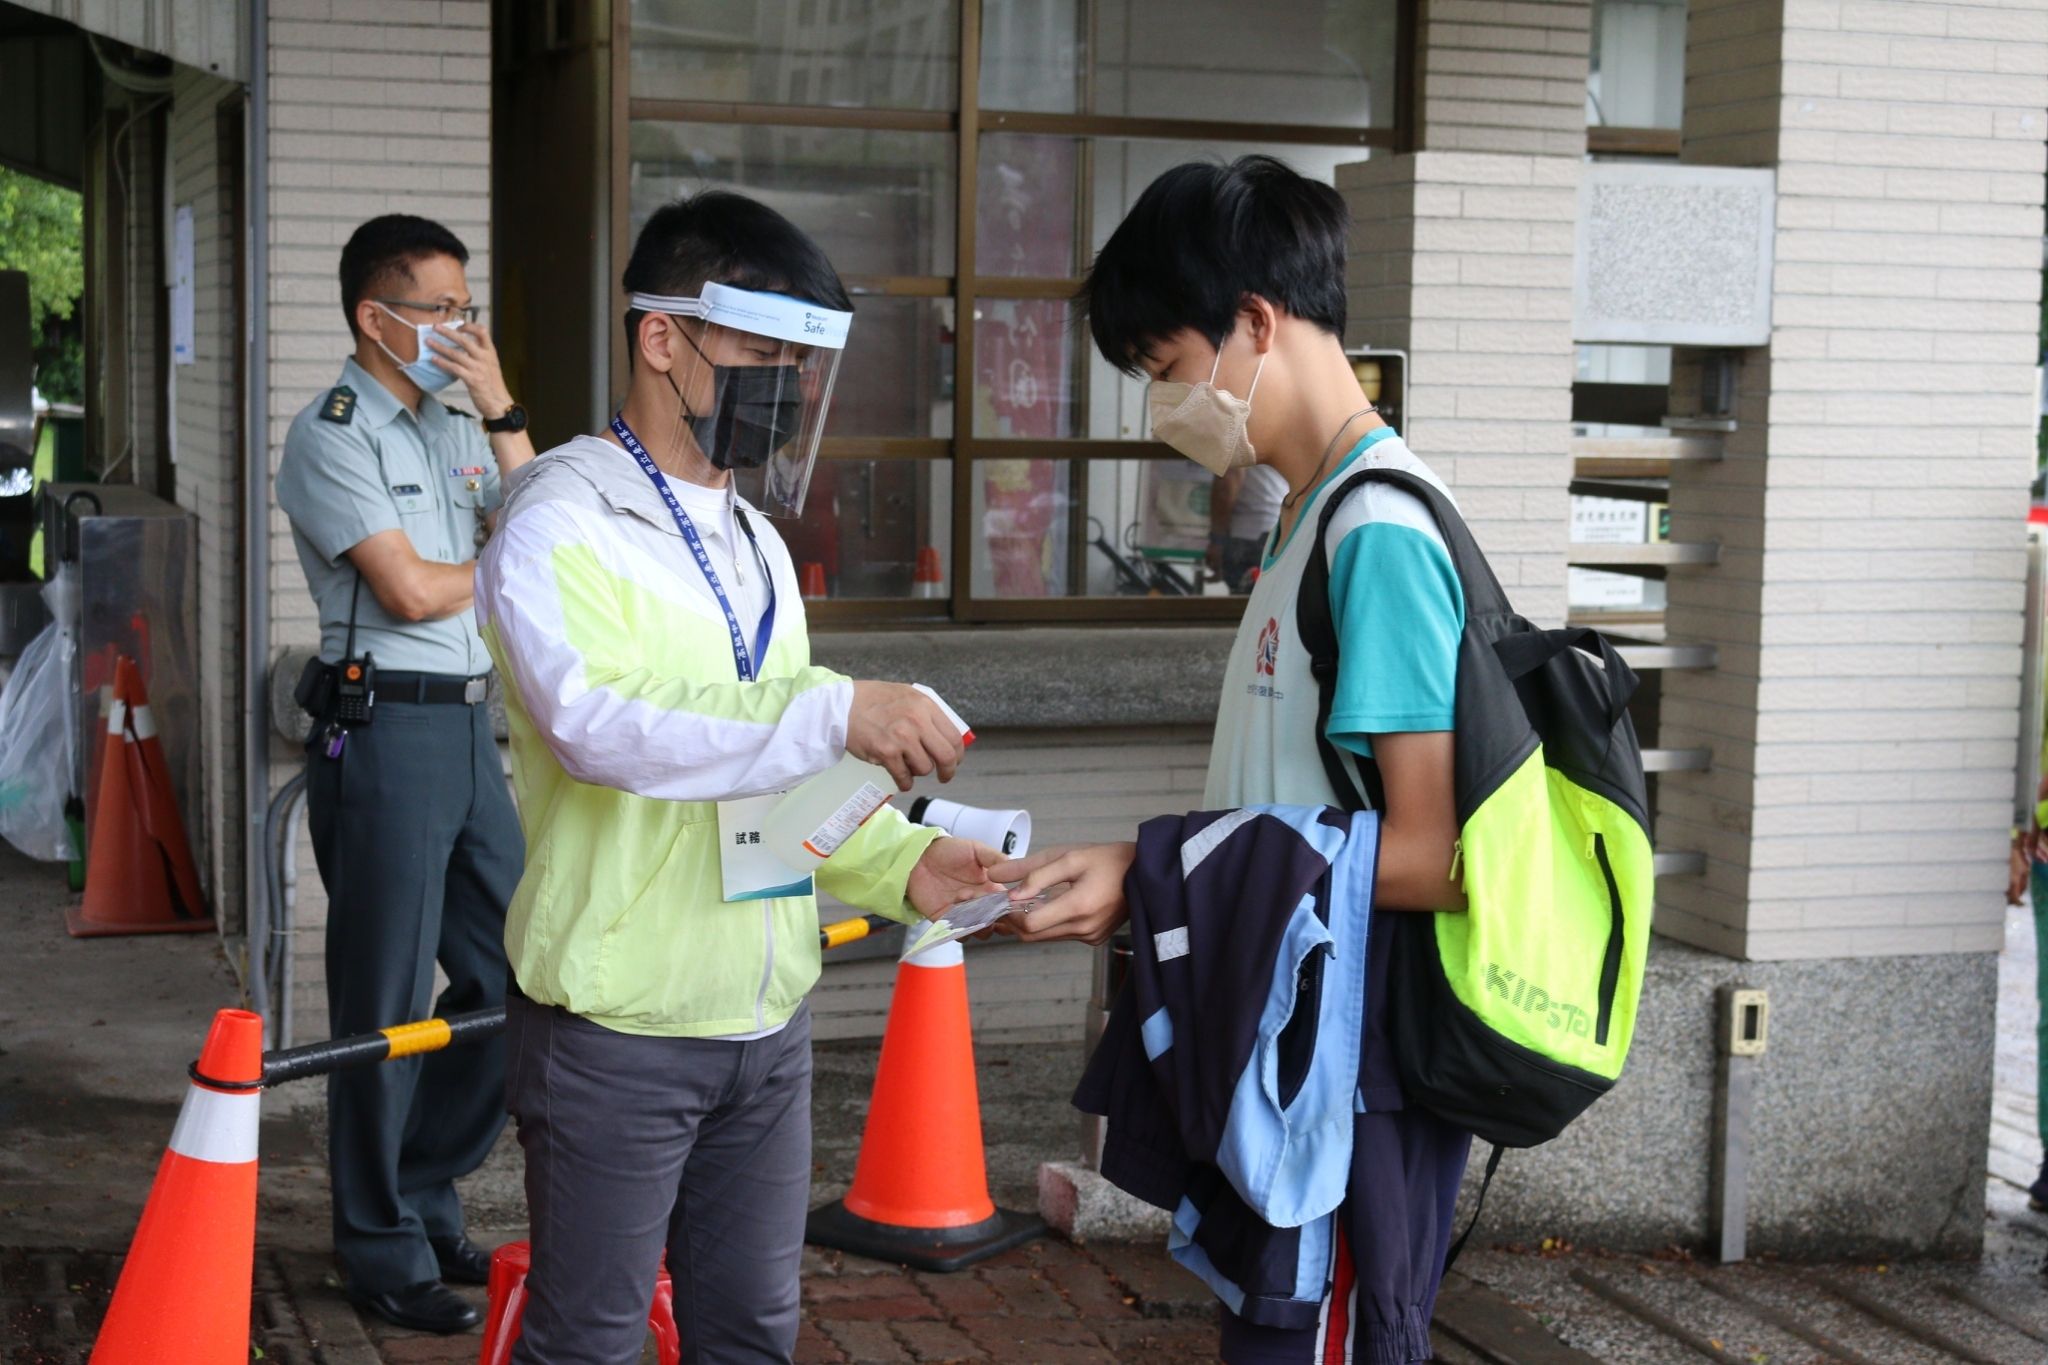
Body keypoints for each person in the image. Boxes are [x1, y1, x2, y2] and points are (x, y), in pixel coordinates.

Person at [473, 190, 1004, 1364]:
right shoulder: (556, 524)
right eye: (760, 351)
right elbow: (597, 728)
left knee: (753, 1331)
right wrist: (836, 709)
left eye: (798, 362)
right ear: (660, 336)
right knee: (594, 1338)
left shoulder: (756, 541)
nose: (785, 386)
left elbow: (771, 781)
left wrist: (904, 862)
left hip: (766, 1014)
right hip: (617, 1026)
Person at [993, 155, 1473, 1364]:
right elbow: (1292, 812)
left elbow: (1435, 853)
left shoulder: (1376, 533)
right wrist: (1136, 870)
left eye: (1166, 370)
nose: (1164, 406)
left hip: (1346, 1088)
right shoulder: (1302, 521)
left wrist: (1152, 867)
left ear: (1254, 324)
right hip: (1292, 1066)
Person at [275, 215, 537, 1334]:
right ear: (372, 319)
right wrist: (506, 561)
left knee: (520, 972)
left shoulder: (455, 422)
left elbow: (542, 527)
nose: (457, 329)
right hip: (386, 735)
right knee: (381, 1006)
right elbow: (414, 593)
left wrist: (503, 407)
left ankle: (425, 1192)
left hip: (473, 733)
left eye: (465, 308)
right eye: (437, 310)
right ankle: (377, 1246)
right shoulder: (332, 434)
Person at [1209, 462, 1288, 592]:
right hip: (1280, 525)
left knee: (1242, 604)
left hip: (1248, 534)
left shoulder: (1236, 442)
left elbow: (1226, 485)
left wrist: (1217, 540)